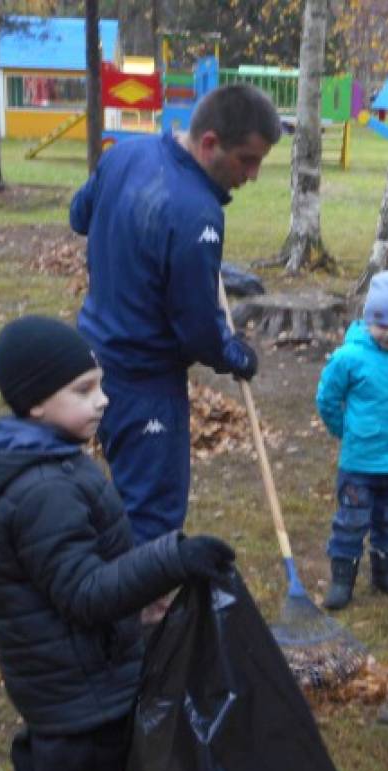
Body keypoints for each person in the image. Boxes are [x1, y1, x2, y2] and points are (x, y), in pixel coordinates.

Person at [0, 316, 238, 771]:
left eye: (100, 384)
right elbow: (85, 593)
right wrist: (172, 559)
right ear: (34, 404)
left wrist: (143, 604)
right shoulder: (43, 491)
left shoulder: (47, 464)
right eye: (83, 390)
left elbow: (81, 575)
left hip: (62, 691)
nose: (102, 400)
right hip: (81, 701)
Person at [69, 84, 281, 547]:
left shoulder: (125, 155)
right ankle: (143, 615)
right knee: (152, 517)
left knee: (120, 496)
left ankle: (111, 590)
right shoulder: (197, 214)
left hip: (89, 361)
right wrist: (234, 354)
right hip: (143, 381)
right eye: (247, 160)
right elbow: (197, 332)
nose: (253, 175)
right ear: (209, 143)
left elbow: (80, 215)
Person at [316, 271, 388, 610]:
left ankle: (384, 572)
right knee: (351, 520)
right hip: (359, 461)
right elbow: (327, 399)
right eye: (383, 326)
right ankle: (342, 580)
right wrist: (343, 430)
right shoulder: (348, 357)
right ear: (368, 320)